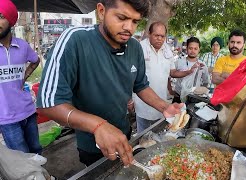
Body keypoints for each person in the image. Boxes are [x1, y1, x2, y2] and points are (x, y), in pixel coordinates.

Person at [37, 0, 183, 167]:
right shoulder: (75, 40)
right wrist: (98, 126)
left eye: (135, 21)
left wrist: (165, 107)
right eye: (122, 18)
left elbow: (140, 85)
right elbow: (48, 104)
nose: (129, 27)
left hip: (124, 134)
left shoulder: (134, 47)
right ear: (101, 11)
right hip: (91, 145)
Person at [0, 0, 42, 154]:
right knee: (21, 156)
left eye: (0, 16)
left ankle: (41, 177)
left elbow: (35, 61)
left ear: (11, 20)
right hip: (6, 117)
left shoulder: (22, 46)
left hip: (28, 111)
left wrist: (24, 77)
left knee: (36, 149)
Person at [133, 22, 175, 133]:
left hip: (161, 100)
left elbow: (171, 72)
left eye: (162, 36)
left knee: (159, 135)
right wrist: (129, 99)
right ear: (149, 34)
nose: (159, 39)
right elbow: (131, 76)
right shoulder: (139, 48)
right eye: (156, 35)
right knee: (143, 137)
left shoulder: (167, 50)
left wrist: (189, 71)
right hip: (142, 102)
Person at [171, 37, 210, 103]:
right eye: (190, 48)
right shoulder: (179, 62)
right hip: (178, 97)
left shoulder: (202, 65)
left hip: (195, 98)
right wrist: (170, 90)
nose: (193, 51)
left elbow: (206, 81)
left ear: (199, 50)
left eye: (195, 49)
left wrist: (200, 91)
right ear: (186, 49)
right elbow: (170, 75)